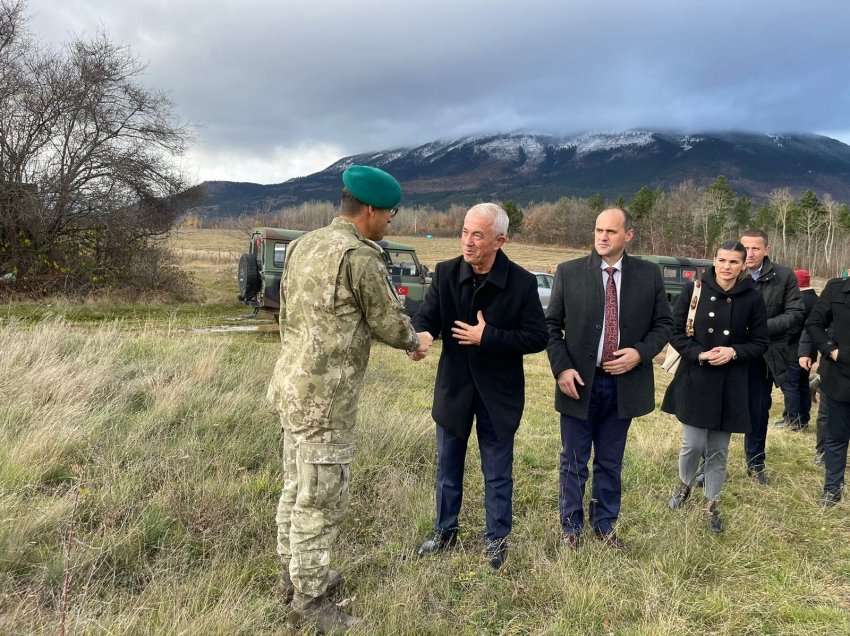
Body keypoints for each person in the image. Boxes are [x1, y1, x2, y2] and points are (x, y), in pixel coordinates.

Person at [267, 165, 431, 632]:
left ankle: (293, 574)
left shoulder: (303, 244)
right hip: (325, 401)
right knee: (321, 499)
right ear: (372, 211)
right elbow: (387, 321)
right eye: (391, 215)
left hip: (291, 389)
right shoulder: (359, 257)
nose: (391, 223)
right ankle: (311, 599)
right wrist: (415, 341)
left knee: (295, 486)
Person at [412, 203, 547, 569]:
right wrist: (421, 338)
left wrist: (489, 336)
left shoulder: (521, 282)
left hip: (498, 395)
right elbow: (427, 318)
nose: (467, 242)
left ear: (500, 240)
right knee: (447, 467)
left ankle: (496, 541)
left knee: (498, 472)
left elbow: (537, 337)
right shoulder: (444, 273)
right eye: (464, 232)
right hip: (455, 389)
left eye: (478, 235)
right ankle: (445, 532)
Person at [545, 208, 672, 549]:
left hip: (623, 386)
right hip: (579, 383)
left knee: (610, 461)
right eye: (598, 230)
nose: (602, 237)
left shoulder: (649, 275)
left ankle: (604, 526)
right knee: (573, 460)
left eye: (611, 232)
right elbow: (551, 326)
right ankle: (571, 529)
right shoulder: (569, 273)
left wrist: (639, 353)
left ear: (628, 235)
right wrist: (562, 368)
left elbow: (664, 325)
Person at [662, 241, 769, 532]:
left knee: (719, 450)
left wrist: (733, 352)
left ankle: (711, 505)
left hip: (732, 382)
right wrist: (699, 353)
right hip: (697, 377)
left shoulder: (752, 297)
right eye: (722, 260)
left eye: (734, 262)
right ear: (714, 260)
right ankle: (684, 484)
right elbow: (674, 331)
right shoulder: (694, 289)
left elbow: (760, 342)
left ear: (744, 265)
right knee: (693, 444)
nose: (726, 266)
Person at [739, 230, 805, 483]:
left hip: (762, 356)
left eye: (756, 248)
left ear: (766, 249)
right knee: (718, 408)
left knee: (758, 410)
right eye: (746, 247)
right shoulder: (731, 271)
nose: (750, 253)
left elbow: (796, 313)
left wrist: (761, 328)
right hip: (729, 353)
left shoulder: (783, 276)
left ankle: (755, 464)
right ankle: (708, 465)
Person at [805, 275, 850, 506]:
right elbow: (814, 323)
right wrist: (830, 350)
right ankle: (832, 490)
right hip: (840, 377)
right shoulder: (837, 288)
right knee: (835, 437)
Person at [778, 269, 818, 429]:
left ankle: (792, 419)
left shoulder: (799, 300)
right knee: (802, 384)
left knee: (791, 385)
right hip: (810, 351)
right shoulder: (816, 299)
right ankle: (803, 418)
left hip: (794, 350)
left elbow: (793, 327)